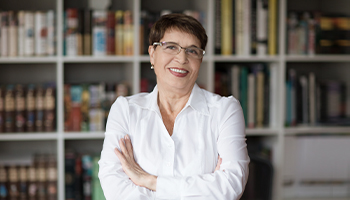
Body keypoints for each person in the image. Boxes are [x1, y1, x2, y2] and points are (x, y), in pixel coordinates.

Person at [98, 13, 249, 200]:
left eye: (193, 50)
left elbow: (231, 184)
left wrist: (150, 181)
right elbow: (114, 187)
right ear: (152, 54)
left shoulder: (225, 111)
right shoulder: (125, 110)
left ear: (200, 60)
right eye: (171, 47)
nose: (182, 58)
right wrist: (206, 188)